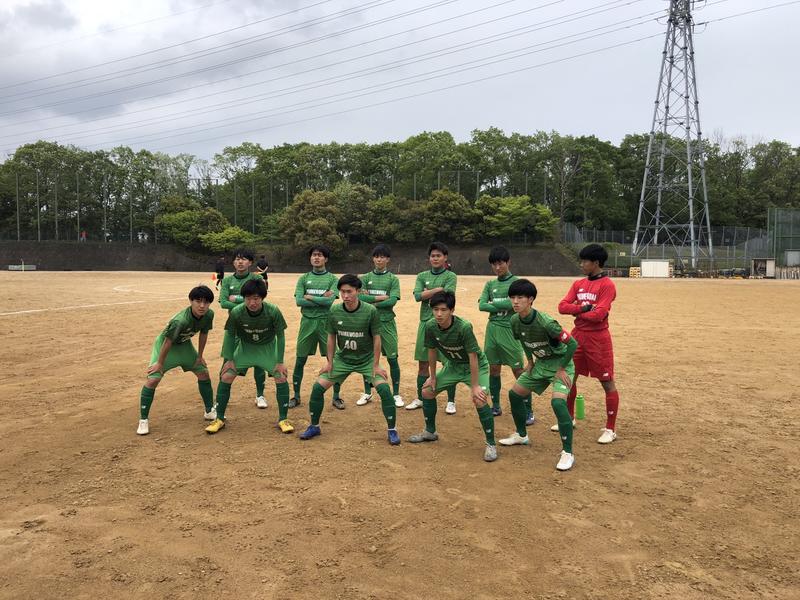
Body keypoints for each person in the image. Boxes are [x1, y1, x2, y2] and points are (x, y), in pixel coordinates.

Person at [298, 274, 400, 445]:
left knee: (384, 390)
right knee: (317, 388)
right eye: (342, 292)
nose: (345, 296)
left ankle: (392, 430)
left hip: (366, 359)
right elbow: (331, 336)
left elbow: (377, 338)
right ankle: (314, 426)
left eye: (349, 292)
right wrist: (330, 362)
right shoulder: (334, 310)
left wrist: (376, 365)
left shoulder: (370, 311)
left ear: (358, 291)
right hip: (343, 359)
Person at [407, 291, 497, 462]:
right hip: (453, 366)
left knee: (480, 399)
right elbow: (431, 351)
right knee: (426, 391)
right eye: (435, 310)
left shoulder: (464, 327)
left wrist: (475, 385)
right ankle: (430, 432)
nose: (439, 314)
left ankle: (491, 443)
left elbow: (473, 357)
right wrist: (432, 376)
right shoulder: (431, 326)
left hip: (476, 366)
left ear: (452, 310)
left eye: (443, 310)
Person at [499, 279, 578, 471]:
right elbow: (524, 342)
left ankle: (568, 453)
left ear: (531, 299)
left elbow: (573, 344)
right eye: (512, 298)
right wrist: (531, 361)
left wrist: (561, 368)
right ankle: (521, 435)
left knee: (558, 403)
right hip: (540, 364)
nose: (515, 302)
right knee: (515, 394)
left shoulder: (546, 323)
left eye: (520, 298)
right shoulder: (514, 320)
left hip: (561, 364)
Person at [205, 278, 291, 434]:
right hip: (245, 348)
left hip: (267, 349)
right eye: (249, 298)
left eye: (256, 298)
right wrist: (230, 359)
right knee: (226, 376)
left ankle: (283, 419)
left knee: (281, 377)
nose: (252, 302)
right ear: (244, 298)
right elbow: (230, 335)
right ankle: (219, 418)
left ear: (262, 298)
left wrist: (280, 362)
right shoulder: (237, 312)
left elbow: (281, 336)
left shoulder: (273, 311)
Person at [557, 244, 620, 444]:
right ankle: (569, 417)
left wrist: (576, 309)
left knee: (607, 381)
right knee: (569, 377)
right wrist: (584, 308)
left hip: (598, 339)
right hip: (577, 337)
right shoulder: (578, 284)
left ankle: (610, 428)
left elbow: (599, 315)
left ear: (596, 263)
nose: (581, 264)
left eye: (585, 261)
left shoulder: (607, 285)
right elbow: (561, 307)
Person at [137, 285, 216, 436]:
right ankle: (143, 420)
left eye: (206, 302)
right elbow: (167, 342)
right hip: (166, 347)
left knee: (203, 373)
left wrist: (199, 356)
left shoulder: (209, 315)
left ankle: (209, 411)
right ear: (190, 301)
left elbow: (204, 334)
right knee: (153, 379)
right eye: (198, 301)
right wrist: (159, 363)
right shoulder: (180, 321)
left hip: (184, 345)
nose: (202, 305)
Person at [478, 246, 534, 423]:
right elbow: (481, 305)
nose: (497, 267)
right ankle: (495, 405)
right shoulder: (490, 284)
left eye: (500, 263)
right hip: (492, 330)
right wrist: (504, 303)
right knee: (493, 369)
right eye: (493, 264)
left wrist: (494, 302)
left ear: (508, 262)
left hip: (510, 330)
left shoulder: (517, 283)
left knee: (518, 370)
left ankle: (528, 410)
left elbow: (514, 306)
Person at [406, 242, 458, 414]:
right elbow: (417, 296)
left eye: (438, 256)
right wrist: (438, 289)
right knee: (423, 364)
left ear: (445, 258)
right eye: (433, 256)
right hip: (425, 324)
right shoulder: (422, 275)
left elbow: (448, 297)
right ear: (429, 258)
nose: (435, 258)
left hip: (444, 326)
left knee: (449, 363)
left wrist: (428, 293)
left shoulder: (451, 276)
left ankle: (451, 401)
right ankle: (421, 398)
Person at [290, 245, 343, 409]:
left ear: (325, 259)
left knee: (333, 360)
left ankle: (336, 396)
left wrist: (310, 296)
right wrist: (321, 296)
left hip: (327, 323)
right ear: (310, 258)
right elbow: (299, 301)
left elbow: (329, 302)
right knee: (300, 360)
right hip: (307, 323)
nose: (316, 258)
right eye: (314, 255)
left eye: (320, 255)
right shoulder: (303, 278)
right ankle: (296, 396)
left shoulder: (333, 279)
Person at [218, 249, 269, 408]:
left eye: (244, 259)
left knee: (258, 362)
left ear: (250, 262)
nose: (240, 262)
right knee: (228, 360)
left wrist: (237, 298)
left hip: (255, 325)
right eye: (237, 259)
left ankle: (260, 395)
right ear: (233, 262)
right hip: (234, 325)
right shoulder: (227, 281)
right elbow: (223, 302)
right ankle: (220, 400)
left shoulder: (256, 278)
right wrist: (247, 302)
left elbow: (261, 299)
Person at [356, 244, 404, 408]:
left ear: (388, 260)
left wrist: (373, 298)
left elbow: (392, 301)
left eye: (383, 257)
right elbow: (360, 299)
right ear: (373, 258)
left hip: (387, 322)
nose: (379, 259)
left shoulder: (393, 279)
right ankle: (367, 392)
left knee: (392, 358)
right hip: (367, 323)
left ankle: (396, 394)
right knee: (367, 358)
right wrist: (382, 298)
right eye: (376, 256)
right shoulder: (363, 278)